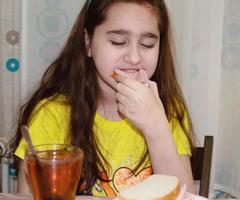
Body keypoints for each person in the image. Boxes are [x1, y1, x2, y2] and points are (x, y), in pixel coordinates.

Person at [11, 0, 196, 198]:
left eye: (147, 44)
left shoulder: (167, 109)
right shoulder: (51, 114)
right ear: (88, 42)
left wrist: (156, 129)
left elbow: (185, 196)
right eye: (118, 42)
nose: (134, 57)